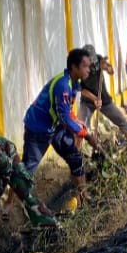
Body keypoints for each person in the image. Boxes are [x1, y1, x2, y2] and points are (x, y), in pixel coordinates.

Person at [23, 48, 101, 202]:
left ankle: (84, 198)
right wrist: (87, 135)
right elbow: (64, 117)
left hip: (55, 126)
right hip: (38, 128)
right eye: (85, 66)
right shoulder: (63, 85)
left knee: (75, 157)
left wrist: (77, 117)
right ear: (74, 67)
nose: (89, 70)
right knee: (27, 168)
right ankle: (8, 205)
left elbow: (67, 109)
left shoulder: (73, 82)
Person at [78, 44, 127, 145]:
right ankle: (76, 156)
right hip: (87, 102)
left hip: (104, 99)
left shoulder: (99, 59)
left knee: (121, 121)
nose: (92, 63)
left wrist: (107, 68)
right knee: (80, 129)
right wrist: (95, 99)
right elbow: (80, 89)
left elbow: (111, 71)